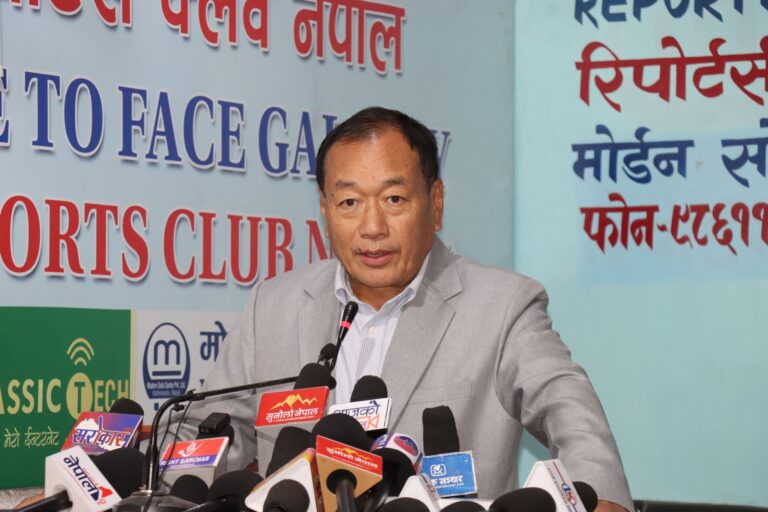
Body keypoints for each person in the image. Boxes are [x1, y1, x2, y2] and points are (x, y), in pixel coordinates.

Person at [174, 107, 633, 512]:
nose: (372, 227)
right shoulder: (274, 306)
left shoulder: (501, 306)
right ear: (325, 211)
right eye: (350, 202)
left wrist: (599, 496)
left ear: (436, 203)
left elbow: (567, 406)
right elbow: (207, 433)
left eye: (394, 199)